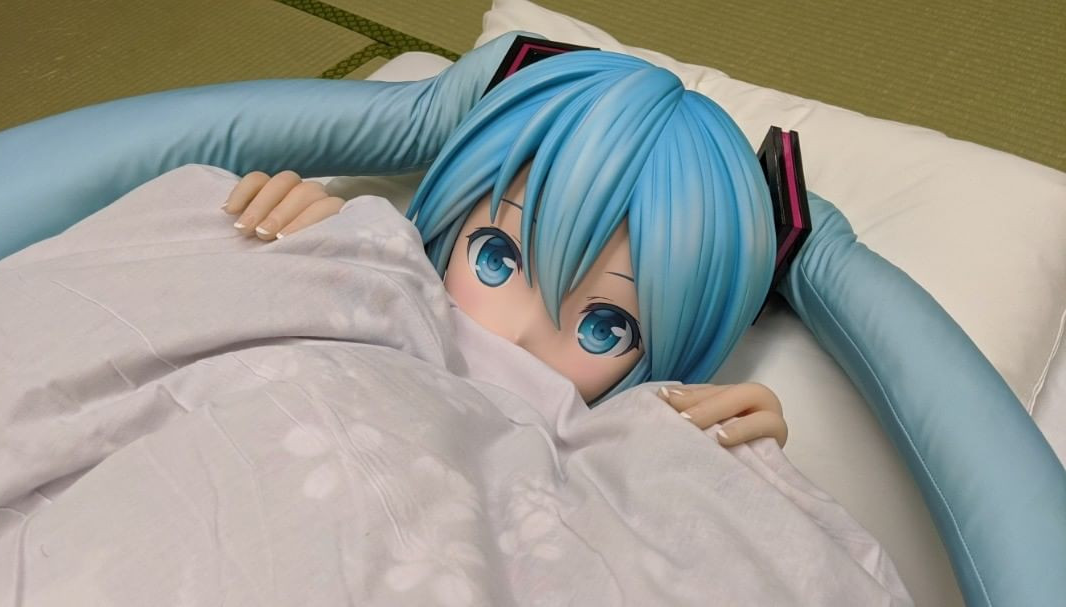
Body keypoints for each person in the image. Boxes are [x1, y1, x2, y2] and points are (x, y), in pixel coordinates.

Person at [219, 50, 788, 448]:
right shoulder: (371, 280)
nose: (518, 335)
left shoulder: (613, 454)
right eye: (496, 258)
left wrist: (727, 472)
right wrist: (306, 257)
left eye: (606, 328)